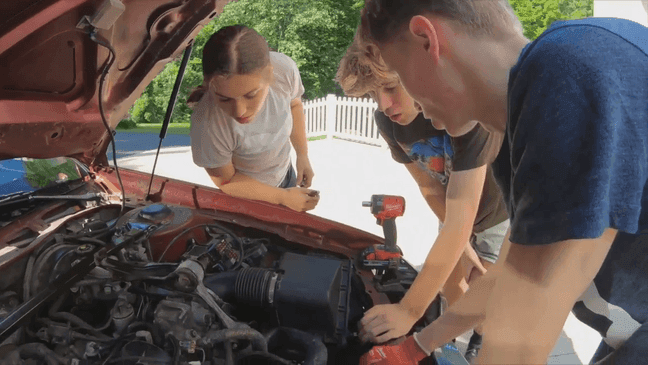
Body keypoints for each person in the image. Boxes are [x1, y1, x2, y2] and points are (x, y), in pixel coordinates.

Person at [357, 1, 648, 364]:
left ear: (425, 38)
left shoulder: (570, 69)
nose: (401, 101)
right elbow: (514, 273)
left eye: (399, 71)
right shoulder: (524, 128)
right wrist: (417, 346)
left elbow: (524, 331)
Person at [335, 34, 509, 362]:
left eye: (390, 88)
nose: (384, 105)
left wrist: (409, 310)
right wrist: (459, 240)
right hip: (453, 207)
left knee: (488, 290)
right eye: (373, 94)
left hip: (498, 213)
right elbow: (429, 186)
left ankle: (490, 339)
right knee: (452, 283)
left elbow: (465, 216)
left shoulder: (467, 111)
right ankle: (478, 332)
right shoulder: (388, 122)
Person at [188, 25, 319, 212]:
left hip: (286, 175)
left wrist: (302, 155)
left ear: (271, 74)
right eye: (224, 99)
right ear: (209, 85)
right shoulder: (206, 123)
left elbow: (294, 105)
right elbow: (226, 180)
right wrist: (281, 197)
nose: (239, 111)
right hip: (248, 197)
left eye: (251, 95)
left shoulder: (285, 70)